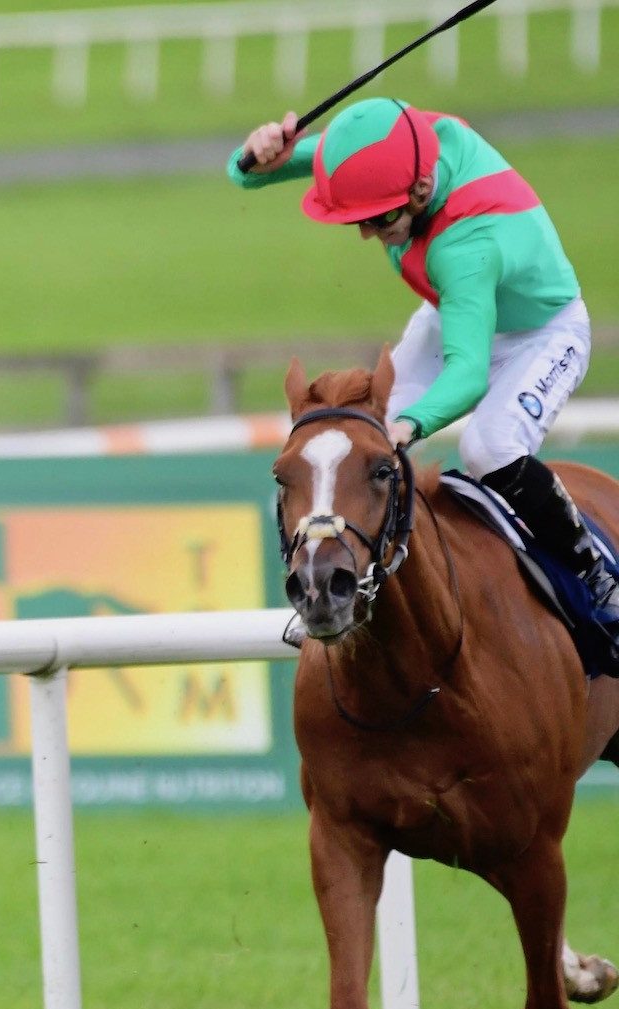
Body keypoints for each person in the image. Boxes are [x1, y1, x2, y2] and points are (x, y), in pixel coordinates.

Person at [231, 98, 610, 622]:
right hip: (453, 309)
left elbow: (467, 377)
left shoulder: (465, 245)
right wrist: (257, 153)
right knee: (363, 437)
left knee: (488, 447)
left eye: (378, 217)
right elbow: (247, 175)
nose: (368, 232)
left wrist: (408, 426)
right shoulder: (392, 152)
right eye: (355, 220)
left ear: (422, 191)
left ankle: (595, 575)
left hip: (542, 333)